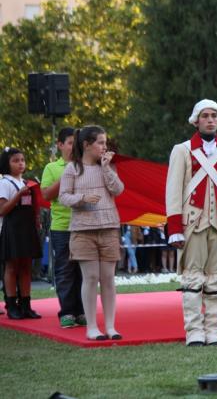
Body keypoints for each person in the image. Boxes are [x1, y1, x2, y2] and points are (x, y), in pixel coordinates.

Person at [166, 99, 217, 346]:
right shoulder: (182, 150)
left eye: (214, 116)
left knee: (216, 280)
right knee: (192, 279)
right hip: (192, 223)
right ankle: (194, 332)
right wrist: (174, 228)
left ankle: (213, 331)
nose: (210, 120)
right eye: (205, 116)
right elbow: (173, 190)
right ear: (196, 120)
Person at [58, 126, 124, 339]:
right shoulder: (72, 169)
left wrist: (106, 168)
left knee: (108, 278)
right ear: (87, 145)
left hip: (109, 227)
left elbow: (118, 189)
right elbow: (63, 197)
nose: (105, 147)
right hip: (83, 230)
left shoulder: (109, 166)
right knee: (91, 277)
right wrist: (82, 199)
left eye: (105, 143)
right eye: (101, 143)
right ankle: (92, 328)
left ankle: (111, 327)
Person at [41, 127, 87, 327]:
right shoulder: (51, 168)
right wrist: (67, 177)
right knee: (65, 270)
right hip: (62, 227)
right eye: (70, 142)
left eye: (76, 143)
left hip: (85, 225)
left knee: (84, 271)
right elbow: (46, 195)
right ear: (59, 145)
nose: (73, 146)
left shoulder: (86, 165)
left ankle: (82, 311)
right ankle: (67, 312)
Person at [0, 148, 43, 320]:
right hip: (12, 228)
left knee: (26, 266)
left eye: (22, 160)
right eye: (15, 160)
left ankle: (26, 305)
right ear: (6, 164)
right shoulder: (5, 183)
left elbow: (33, 205)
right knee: (12, 266)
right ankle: (11, 305)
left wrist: (37, 217)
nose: (20, 163)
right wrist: (18, 195)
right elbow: (2, 210)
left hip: (27, 228)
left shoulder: (27, 182)